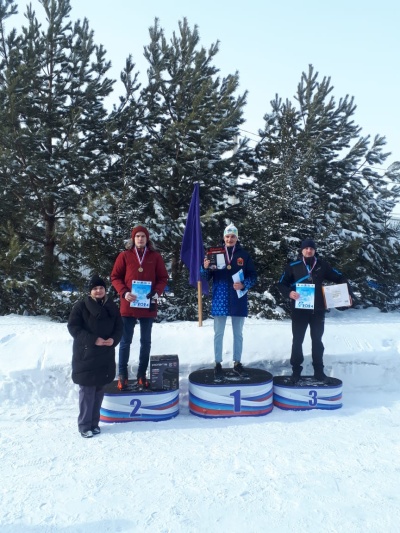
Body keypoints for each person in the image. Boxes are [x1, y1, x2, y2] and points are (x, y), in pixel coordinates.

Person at [277, 238, 353, 382]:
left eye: (311, 248)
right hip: (299, 310)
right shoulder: (293, 266)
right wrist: (289, 293)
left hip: (318, 310)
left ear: (315, 250)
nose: (309, 250)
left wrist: (347, 293)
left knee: (317, 341)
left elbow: (340, 277)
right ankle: (296, 372)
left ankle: (319, 372)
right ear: (302, 250)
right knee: (297, 341)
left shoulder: (322, 265)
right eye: (306, 248)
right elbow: (281, 283)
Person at [111, 225, 168, 390]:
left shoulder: (155, 257)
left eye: (143, 236)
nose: (140, 239)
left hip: (148, 304)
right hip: (129, 304)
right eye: (137, 236)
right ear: (133, 239)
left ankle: (142, 375)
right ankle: (123, 375)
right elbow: (115, 277)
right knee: (125, 341)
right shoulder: (125, 256)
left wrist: (157, 292)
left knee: (146, 342)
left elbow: (163, 277)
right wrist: (124, 292)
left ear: (147, 239)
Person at [68, 275, 123, 438]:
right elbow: (73, 328)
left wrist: (114, 339)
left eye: (101, 288)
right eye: (95, 288)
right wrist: (94, 340)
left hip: (105, 354)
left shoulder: (112, 306)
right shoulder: (80, 306)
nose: (98, 291)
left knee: (99, 390)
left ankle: (94, 423)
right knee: (87, 391)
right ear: (90, 291)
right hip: (86, 354)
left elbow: (119, 327)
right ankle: (84, 425)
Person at [201, 223, 257, 377]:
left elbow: (253, 276)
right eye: (227, 236)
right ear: (223, 238)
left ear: (237, 238)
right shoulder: (214, 253)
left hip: (238, 298)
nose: (230, 239)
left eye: (233, 236)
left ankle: (237, 362)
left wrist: (244, 284)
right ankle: (217, 362)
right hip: (220, 298)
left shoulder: (243, 255)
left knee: (238, 333)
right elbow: (206, 277)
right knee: (218, 333)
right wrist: (204, 267)